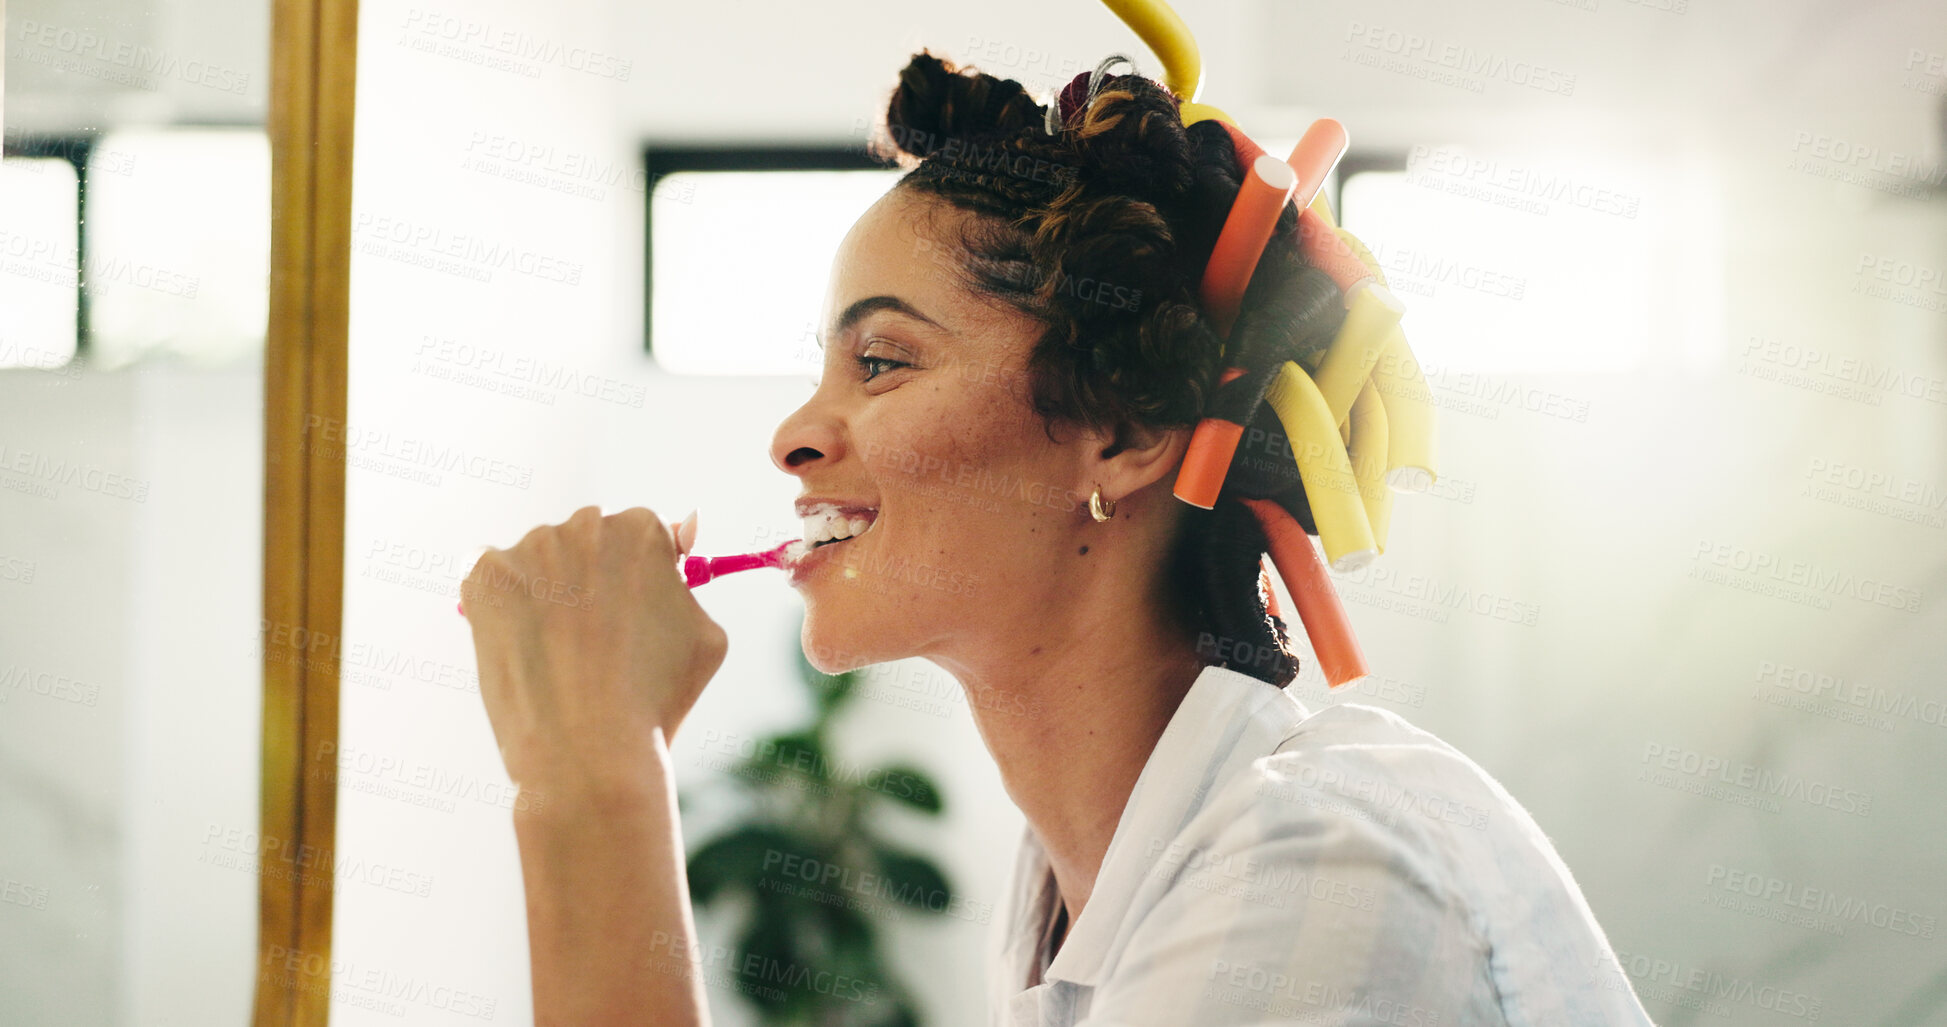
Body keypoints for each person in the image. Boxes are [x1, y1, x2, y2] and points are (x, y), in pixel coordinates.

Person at [461, 50, 1657, 1026]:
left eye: (880, 361)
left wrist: (594, 787)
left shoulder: (1318, 868)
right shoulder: (1066, 896)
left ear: (1124, 430)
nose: (793, 435)